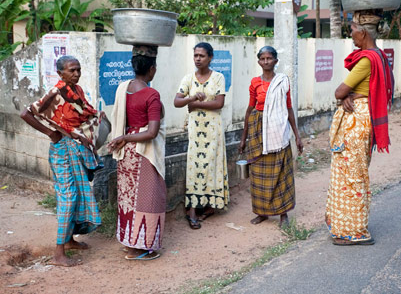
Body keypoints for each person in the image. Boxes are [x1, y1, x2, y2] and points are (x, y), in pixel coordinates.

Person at [20, 55, 103, 267]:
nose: (76, 74)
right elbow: (26, 113)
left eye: (78, 69)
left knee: (77, 195)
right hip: (62, 152)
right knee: (68, 197)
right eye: (71, 70)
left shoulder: (77, 91)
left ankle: (68, 241)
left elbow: (84, 117)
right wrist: (50, 132)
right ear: (60, 73)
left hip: (75, 150)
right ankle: (58, 254)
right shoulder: (56, 93)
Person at [326, 10, 394, 246]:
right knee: (354, 173)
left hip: (356, 122)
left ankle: (354, 232)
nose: (351, 34)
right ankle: (348, 226)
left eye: (353, 29)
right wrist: (350, 94)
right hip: (363, 119)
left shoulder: (366, 60)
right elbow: (357, 91)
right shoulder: (379, 56)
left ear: (363, 32)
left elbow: (339, 92)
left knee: (352, 177)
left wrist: (346, 95)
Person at [109, 45, 166, 260]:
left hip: (125, 154)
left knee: (128, 199)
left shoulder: (123, 88)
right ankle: (142, 247)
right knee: (149, 199)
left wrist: (123, 138)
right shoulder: (151, 94)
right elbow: (152, 132)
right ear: (151, 69)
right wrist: (126, 137)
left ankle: (128, 241)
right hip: (144, 152)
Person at [239, 46, 303, 227]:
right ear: (259, 61)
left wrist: (297, 136)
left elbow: (288, 108)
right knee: (258, 174)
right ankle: (262, 212)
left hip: (279, 132)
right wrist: (243, 138)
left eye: (269, 58)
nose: (266, 61)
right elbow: (250, 108)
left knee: (281, 173)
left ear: (276, 61)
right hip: (258, 132)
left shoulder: (282, 82)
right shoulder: (255, 83)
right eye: (262, 58)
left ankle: (283, 214)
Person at [174, 42, 229, 229]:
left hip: (213, 130)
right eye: (196, 55)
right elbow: (177, 101)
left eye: (202, 56)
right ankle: (192, 210)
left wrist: (196, 105)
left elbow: (219, 104)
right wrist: (191, 99)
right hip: (196, 132)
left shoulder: (218, 77)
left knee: (211, 165)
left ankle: (210, 205)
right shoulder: (188, 79)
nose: (198, 59)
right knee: (194, 167)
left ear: (210, 58)